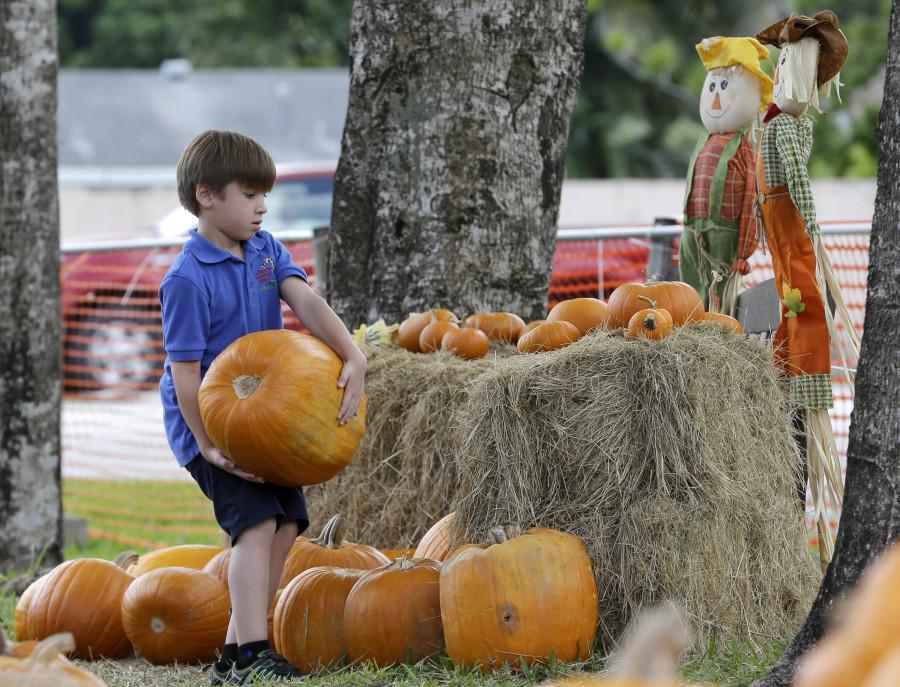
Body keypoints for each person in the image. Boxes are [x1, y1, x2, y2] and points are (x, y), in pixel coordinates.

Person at [158, 130, 367, 685]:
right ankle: (254, 652)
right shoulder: (185, 279)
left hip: (268, 419)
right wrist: (208, 445)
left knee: (286, 524)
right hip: (211, 425)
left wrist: (353, 355)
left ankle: (231, 656)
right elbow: (184, 375)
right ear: (206, 195)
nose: (262, 206)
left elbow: (306, 303)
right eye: (249, 194)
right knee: (255, 524)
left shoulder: (266, 250)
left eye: (264, 195)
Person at [755, 10, 853, 568]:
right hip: (787, 248)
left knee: (803, 323)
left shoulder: (787, 129)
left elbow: (798, 191)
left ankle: (813, 517)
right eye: (786, 60)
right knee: (794, 326)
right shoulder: (777, 128)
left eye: (796, 62)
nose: (787, 70)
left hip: (794, 248)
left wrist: (812, 230)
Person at [680, 36, 772, 313]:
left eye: (725, 87)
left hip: (724, 238)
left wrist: (743, 252)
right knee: (689, 296)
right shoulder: (704, 140)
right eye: (713, 87)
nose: (717, 97)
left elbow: (750, 203)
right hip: (692, 231)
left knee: (721, 303)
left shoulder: (746, 149)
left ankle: (718, 340)